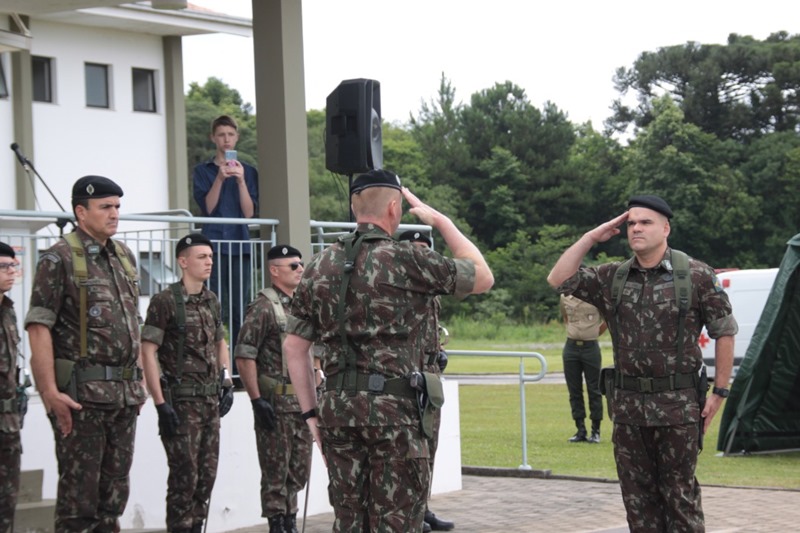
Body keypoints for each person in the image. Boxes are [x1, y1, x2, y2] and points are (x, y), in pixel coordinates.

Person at [284, 169, 494, 532]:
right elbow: (482, 275)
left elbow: (294, 346)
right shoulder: (406, 259)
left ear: (354, 207)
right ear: (395, 207)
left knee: (349, 520)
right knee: (396, 521)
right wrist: (442, 222)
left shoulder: (318, 265)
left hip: (337, 408)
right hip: (395, 413)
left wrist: (309, 414)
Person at [546, 194, 738, 532]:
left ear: (665, 228)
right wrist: (592, 237)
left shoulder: (695, 275)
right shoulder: (612, 277)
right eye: (631, 222)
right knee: (637, 502)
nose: (636, 228)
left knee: (680, 499)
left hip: (677, 408)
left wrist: (719, 391)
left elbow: (724, 331)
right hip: (628, 409)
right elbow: (559, 279)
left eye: (645, 222)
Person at [26, 175, 148, 532]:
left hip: (123, 397)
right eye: (105, 207)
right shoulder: (59, 258)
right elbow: (39, 327)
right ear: (81, 212)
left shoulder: (123, 257)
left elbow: (132, 325)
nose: (114, 214)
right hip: (82, 399)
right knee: (79, 503)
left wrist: (136, 381)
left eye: (117, 207)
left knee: (113, 499)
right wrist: (49, 392)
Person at [140, 233, 233, 533]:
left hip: (209, 404)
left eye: (210, 257)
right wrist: (160, 403)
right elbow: (148, 351)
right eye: (201, 257)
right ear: (183, 261)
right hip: (181, 404)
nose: (209, 262)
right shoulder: (165, 301)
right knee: (184, 479)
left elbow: (220, 342)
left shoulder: (211, 299)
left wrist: (227, 379)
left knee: (206, 478)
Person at [235, 245, 315, 533]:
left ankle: (290, 520)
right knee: (275, 472)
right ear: (274, 270)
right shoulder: (263, 307)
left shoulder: (302, 305)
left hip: (302, 404)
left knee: (299, 470)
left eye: (301, 264)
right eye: (293, 265)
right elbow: (245, 355)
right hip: (277, 404)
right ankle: (278, 525)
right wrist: (257, 400)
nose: (300, 269)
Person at [397, 230, 454, 532]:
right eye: (414, 247)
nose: (421, 253)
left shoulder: (431, 290)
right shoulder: (395, 289)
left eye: (425, 247)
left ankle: (424, 507)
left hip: (430, 379)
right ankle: (411, 513)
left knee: (429, 447)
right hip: (407, 380)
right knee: (411, 453)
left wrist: (438, 354)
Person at [192, 114, 259, 367]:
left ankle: (240, 365)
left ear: (237, 137)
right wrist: (220, 178)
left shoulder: (250, 172)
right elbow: (208, 208)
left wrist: (240, 180)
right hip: (213, 245)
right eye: (221, 134)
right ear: (213, 138)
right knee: (213, 303)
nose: (226, 139)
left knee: (240, 307)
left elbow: (250, 212)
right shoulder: (203, 171)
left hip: (239, 245)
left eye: (230, 134)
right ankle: (214, 363)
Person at [559, 294, 606, 444]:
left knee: (594, 389)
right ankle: (580, 430)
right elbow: (566, 317)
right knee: (574, 390)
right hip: (571, 347)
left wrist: (593, 333)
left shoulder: (595, 297)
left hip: (590, 347)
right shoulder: (565, 297)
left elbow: (606, 319)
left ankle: (595, 430)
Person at [0, 242, 23, 533]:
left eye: (13, 266)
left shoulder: (9, 312)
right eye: (3, 266)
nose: (11, 272)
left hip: (8, 422)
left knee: (7, 501)